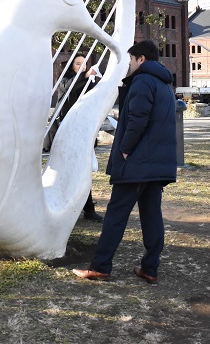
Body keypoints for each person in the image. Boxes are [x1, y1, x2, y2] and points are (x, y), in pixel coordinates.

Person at [73, 40, 177, 284]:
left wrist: (125, 150)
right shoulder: (164, 84)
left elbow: (137, 120)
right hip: (156, 164)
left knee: (116, 215)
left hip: (138, 163)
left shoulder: (142, 81)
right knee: (152, 216)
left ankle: (100, 266)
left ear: (141, 59)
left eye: (131, 59)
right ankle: (150, 268)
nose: (129, 64)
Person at [46, 54, 104, 221]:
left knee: (82, 169)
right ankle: (67, 205)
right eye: (78, 63)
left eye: (84, 63)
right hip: (65, 132)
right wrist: (85, 76)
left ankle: (88, 208)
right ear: (71, 65)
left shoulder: (87, 80)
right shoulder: (65, 80)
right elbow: (68, 89)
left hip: (82, 130)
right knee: (66, 170)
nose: (82, 66)